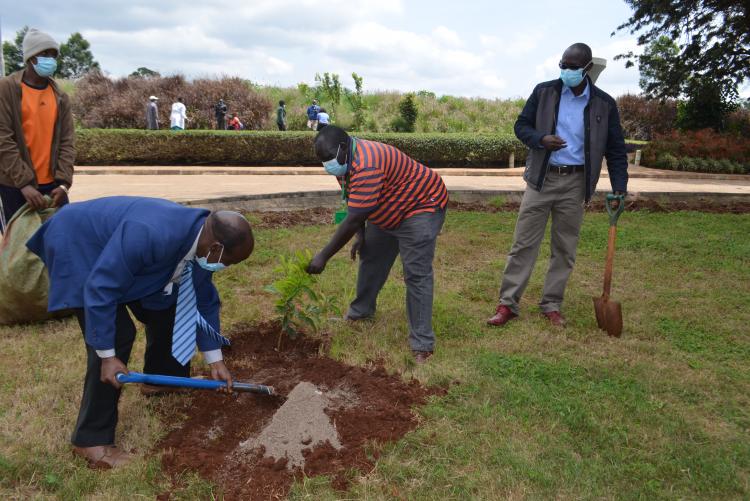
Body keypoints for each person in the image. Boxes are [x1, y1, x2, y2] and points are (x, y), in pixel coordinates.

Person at [26, 196, 255, 469]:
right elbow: (102, 287)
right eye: (229, 262)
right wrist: (108, 356)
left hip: (124, 254)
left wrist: (215, 360)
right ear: (216, 248)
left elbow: (204, 298)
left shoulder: (201, 240)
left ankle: (161, 380)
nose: (226, 267)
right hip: (79, 243)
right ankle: (90, 440)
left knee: (170, 302)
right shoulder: (150, 233)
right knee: (118, 333)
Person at [487, 43, 628, 328]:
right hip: (542, 178)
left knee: (564, 248)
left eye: (573, 67)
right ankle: (508, 304)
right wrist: (541, 139)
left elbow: (615, 149)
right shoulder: (544, 92)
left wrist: (620, 187)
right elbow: (521, 126)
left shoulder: (604, 103)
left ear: (587, 69)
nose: (566, 71)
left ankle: (551, 304)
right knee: (523, 244)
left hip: (576, 183)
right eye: (562, 65)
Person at [307, 126, 448, 364]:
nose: (327, 165)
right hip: (388, 207)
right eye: (322, 161)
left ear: (343, 148)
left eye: (329, 159)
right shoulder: (343, 160)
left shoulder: (367, 164)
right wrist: (361, 235)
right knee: (371, 256)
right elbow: (353, 200)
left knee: (416, 274)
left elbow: (353, 218)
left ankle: (422, 343)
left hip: (421, 206)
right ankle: (361, 312)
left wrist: (323, 256)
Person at [0, 28, 74, 234]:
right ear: (30, 58)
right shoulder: (7, 89)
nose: (50, 59)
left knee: (62, 243)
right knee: (19, 252)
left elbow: (68, 142)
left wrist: (64, 184)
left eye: (53, 55)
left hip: (53, 188)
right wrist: (23, 184)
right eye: (44, 54)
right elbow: (3, 140)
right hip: (15, 186)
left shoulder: (60, 96)